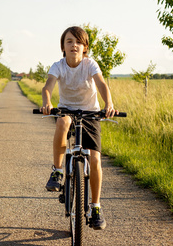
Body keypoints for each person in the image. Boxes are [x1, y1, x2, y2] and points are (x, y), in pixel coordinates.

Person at [40, 26, 118, 230]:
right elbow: (47, 87)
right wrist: (47, 102)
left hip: (90, 112)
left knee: (95, 158)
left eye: (78, 42)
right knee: (63, 122)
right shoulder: (58, 65)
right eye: (69, 41)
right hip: (67, 109)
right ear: (63, 47)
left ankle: (95, 207)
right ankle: (57, 171)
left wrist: (108, 104)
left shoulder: (90, 64)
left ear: (85, 47)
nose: (74, 45)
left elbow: (101, 84)